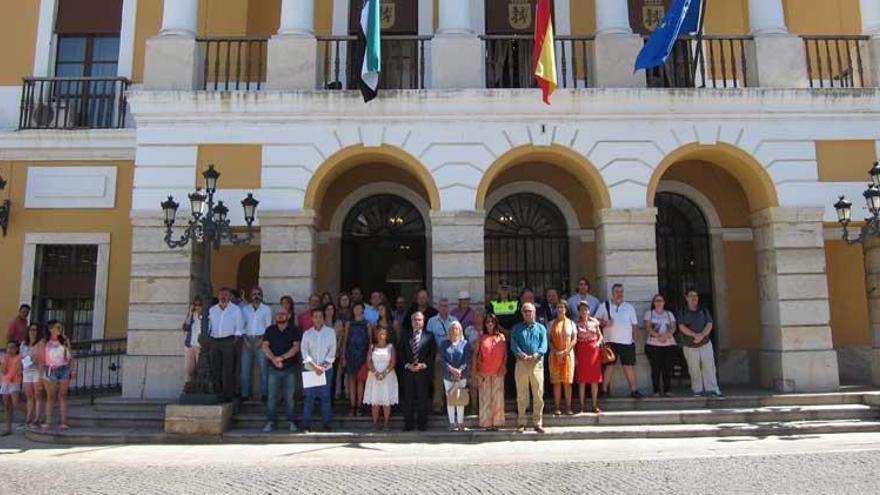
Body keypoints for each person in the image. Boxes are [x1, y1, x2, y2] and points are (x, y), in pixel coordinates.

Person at [595, 284, 643, 399]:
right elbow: (595, 320)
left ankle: (634, 390)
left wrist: (637, 340)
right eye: (617, 291)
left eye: (621, 291)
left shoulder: (629, 307)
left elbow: (635, 325)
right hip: (609, 342)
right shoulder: (604, 305)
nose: (619, 294)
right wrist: (605, 323)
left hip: (627, 342)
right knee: (609, 367)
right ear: (612, 293)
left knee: (629, 367)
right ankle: (604, 391)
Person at [261, 307, 302, 433]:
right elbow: (264, 346)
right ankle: (271, 422)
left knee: (290, 397)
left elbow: (296, 348)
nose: (280, 316)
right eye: (278, 314)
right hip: (273, 369)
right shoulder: (270, 329)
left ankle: (291, 422)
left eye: (283, 314)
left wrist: (282, 358)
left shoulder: (294, 330)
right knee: (272, 397)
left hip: (290, 368)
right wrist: (274, 359)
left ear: (288, 316)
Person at [677, 289, 723, 398]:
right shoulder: (682, 311)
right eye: (691, 296)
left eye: (696, 296)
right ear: (686, 298)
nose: (694, 298)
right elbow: (681, 326)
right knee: (694, 368)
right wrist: (694, 335)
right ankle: (697, 390)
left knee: (709, 366)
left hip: (705, 343)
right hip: (689, 345)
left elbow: (709, 324)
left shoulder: (703, 310)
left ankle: (712, 389)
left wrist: (701, 335)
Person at [511, 302, 548, 433]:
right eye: (525, 311)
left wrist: (536, 355)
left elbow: (544, 345)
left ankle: (538, 422)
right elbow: (513, 345)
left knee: (538, 394)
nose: (528, 313)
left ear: (534, 313)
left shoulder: (541, 328)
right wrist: (522, 355)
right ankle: (521, 422)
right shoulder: (516, 328)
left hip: (537, 364)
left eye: (530, 311)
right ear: (522, 313)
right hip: (521, 364)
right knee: (522, 395)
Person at [398, 312, 436, 431]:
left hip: (423, 372)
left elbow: (432, 354)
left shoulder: (429, 336)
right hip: (408, 371)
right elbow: (400, 352)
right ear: (411, 321)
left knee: (422, 399)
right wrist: (407, 365)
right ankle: (408, 424)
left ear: (423, 321)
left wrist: (423, 365)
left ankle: (422, 424)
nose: (417, 322)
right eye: (414, 319)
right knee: (408, 398)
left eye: (419, 320)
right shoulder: (405, 335)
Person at [300, 308, 336, 433]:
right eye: (315, 316)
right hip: (310, 370)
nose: (318, 319)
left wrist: (323, 367)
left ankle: (326, 425)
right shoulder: (307, 334)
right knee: (309, 397)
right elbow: (304, 353)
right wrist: (315, 367)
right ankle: (306, 426)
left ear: (323, 318)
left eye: (320, 316)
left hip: (326, 370)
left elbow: (332, 352)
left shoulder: (330, 332)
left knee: (325, 397)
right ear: (312, 318)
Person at [208, 287, 244, 402]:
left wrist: (234, 341)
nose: (223, 297)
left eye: (226, 295)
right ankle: (217, 393)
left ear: (230, 297)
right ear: (218, 296)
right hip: (214, 340)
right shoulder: (212, 310)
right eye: (221, 295)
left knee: (228, 369)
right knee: (215, 368)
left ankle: (228, 394)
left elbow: (239, 328)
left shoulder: (236, 310)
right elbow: (209, 326)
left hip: (229, 340)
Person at [473, 313, 506, 430]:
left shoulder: (501, 337)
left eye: (492, 321)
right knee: (485, 398)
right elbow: (475, 355)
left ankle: (497, 423)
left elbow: (505, 354)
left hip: (498, 371)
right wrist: (474, 371)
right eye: (487, 322)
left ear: (495, 323)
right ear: (484, 324)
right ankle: (485, 423)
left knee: (497, 398)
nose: (490, 324)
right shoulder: (481, 338)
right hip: (484, 372)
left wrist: (504, 365)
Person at [41, 320, 75, 431]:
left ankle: (63, 422)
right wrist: (42, 374)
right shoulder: (45, 341)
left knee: (63, 395)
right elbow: (42, 358)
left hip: (64, 368)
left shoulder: (64, 340)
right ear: (51, 329)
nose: (60, 329)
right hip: (51, 370)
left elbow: (70, 356)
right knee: (51, 396)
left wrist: (72, 370)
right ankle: (48, 422)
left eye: (60, 327)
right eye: (57, 327)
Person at [241, 287, 273, 401]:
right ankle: (244, 394)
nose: (256, 296)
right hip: (247, 340)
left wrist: (262, 341)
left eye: (259, 294)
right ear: (251, 296)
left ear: (262, 296)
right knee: (245, 369)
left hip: (261, 340)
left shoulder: (266, 309)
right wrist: (245, 340)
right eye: (254, 294)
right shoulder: (245, 309)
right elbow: (241, 326)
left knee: (264, 369)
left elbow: (268, 327)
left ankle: (265, 394)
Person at [364, 325, 398, 431]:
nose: (380, 335)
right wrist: (375, 372)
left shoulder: (391, 347)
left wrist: (384, 373)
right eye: (378, 333)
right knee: (375, 401)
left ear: (386, 335)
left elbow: (393, 361)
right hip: (374, 376)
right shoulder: (372, 347)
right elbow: (368, 361)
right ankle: (375, 423)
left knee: (386, 400)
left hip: (387, 377)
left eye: (383, 333)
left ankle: (386, 423)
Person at [427, 298, 458, 414]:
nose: (444, 308)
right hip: (438, 355)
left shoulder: (454, 320)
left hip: (452, 356)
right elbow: (428, 339)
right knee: (439, 381)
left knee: (453, 381)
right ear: (438, 307)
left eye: (446, 306)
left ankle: (453, 404)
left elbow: (459, 338)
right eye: (442, 306)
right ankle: (438, 406)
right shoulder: (431, 321)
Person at [644, 294, 677, 397]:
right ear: (653, 303)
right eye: (657, 301)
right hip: (653, 345)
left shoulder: (669, 314)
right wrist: (658, 336)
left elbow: (673, 327)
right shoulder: (649, 314)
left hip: (669, 345)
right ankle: (656, 391)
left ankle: (667, 390)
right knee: (655, 368)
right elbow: (648, 327)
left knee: (667, 368)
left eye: (661, 300)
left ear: (664, 302)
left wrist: (666, 336)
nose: (659, 302)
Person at [574, 301, 604, 414]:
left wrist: (598, 343)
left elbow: (600, 336)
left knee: (594, 380)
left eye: (586, 309)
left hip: (593, 352)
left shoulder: (595, 322)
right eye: (581, 309)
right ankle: (582, 406)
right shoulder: (576, 324)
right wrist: (576, 356)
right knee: (582, 380)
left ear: (589, 310)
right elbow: (574, 340)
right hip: (581, 351)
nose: (584, 311)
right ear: (579, 311)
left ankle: (595, 405)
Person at [548, 301, 576, 416]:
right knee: (557, 382)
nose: (560, 309)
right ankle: (557, 407)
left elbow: (574, 339)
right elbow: (549, 340)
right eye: (558, 307)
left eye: (562, 307)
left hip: (568, 355)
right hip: (554, 355)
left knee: (567, 382)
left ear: (566, 309)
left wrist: (565, 351)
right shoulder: (550, 324)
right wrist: (556, 351)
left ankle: (568, 407)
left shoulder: (571, 323)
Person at [342, 302, 370, 416]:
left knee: (361, 381)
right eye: (355, 308)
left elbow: (370, 341)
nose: (357, 310)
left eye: (360, 308)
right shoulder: (349, 323)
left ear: (363, 310)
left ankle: (359, 405)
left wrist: (369, 356)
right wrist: (343, 355)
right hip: (351, 354)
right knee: (351, 380)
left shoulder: (367, 324)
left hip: (362, 355)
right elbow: (345, 340)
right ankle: (352, 405)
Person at [442, 321, 471, 431]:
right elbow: (443, 360)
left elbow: (467, 359)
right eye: (452, 328)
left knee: (460, 400)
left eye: (456, 328)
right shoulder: (444, 344)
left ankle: (460, 423)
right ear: (449, 331)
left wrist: (459, 371)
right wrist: (452, 370)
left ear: (460, 330)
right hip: (448, 376)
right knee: (450, 400)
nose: (454, 330)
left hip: (461, 376)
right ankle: (452, 423)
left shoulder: (465, 344)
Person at [21, 323, 44, 426]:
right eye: (31, 330)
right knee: (29, 396)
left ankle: (37, 417)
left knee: (37, 395)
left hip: (36, 371)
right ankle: (29, 417)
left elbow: (42, 358)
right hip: (26, 371)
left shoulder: (40, 343)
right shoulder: (23, 344)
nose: (33, 332)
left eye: (35, 330)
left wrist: (36, 360)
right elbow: (21, 357)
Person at [324, 302, 345, 400]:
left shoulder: (338, 323)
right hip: (321, 355)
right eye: (328, 309)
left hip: (334, 355)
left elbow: (340, 339)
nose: (330, 311)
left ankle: (331, 400)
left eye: (331, 309)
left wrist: (336, 351)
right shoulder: (321, 322)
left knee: (332, 378)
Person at [1, 341, 22, 435]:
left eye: (12, 347)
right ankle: (8, 428)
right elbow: (3, 371)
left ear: (17, 349)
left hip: (15, 382)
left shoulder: (19, 357)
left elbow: (19, 370)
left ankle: (31, 417)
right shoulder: (4, 358)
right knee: (7, 405)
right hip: (5, 382)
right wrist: (4, 361)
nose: (10, 350)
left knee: (16, 404)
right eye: (8, 348)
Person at [182, 297, 204, 388]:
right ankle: (188, 386)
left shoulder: (206, 316)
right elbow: (185, 327)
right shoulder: (192, 315)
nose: (197, 307)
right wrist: (190, 313)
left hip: (200, 346)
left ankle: (200, 387)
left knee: (201, 369)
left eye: (199, 305)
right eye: (195, 305)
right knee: (188, 369)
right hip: (190, 345)